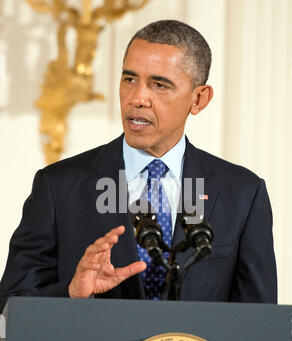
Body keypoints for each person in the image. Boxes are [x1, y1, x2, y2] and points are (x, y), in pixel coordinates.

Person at [0, 20, 277, 313]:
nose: (136, 98)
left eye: (159, 85)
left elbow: (257, 323)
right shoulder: (58, 186)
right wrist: (71, 293)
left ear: (198, 99)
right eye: (129, 79)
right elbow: (11, 305)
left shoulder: (243, 193)